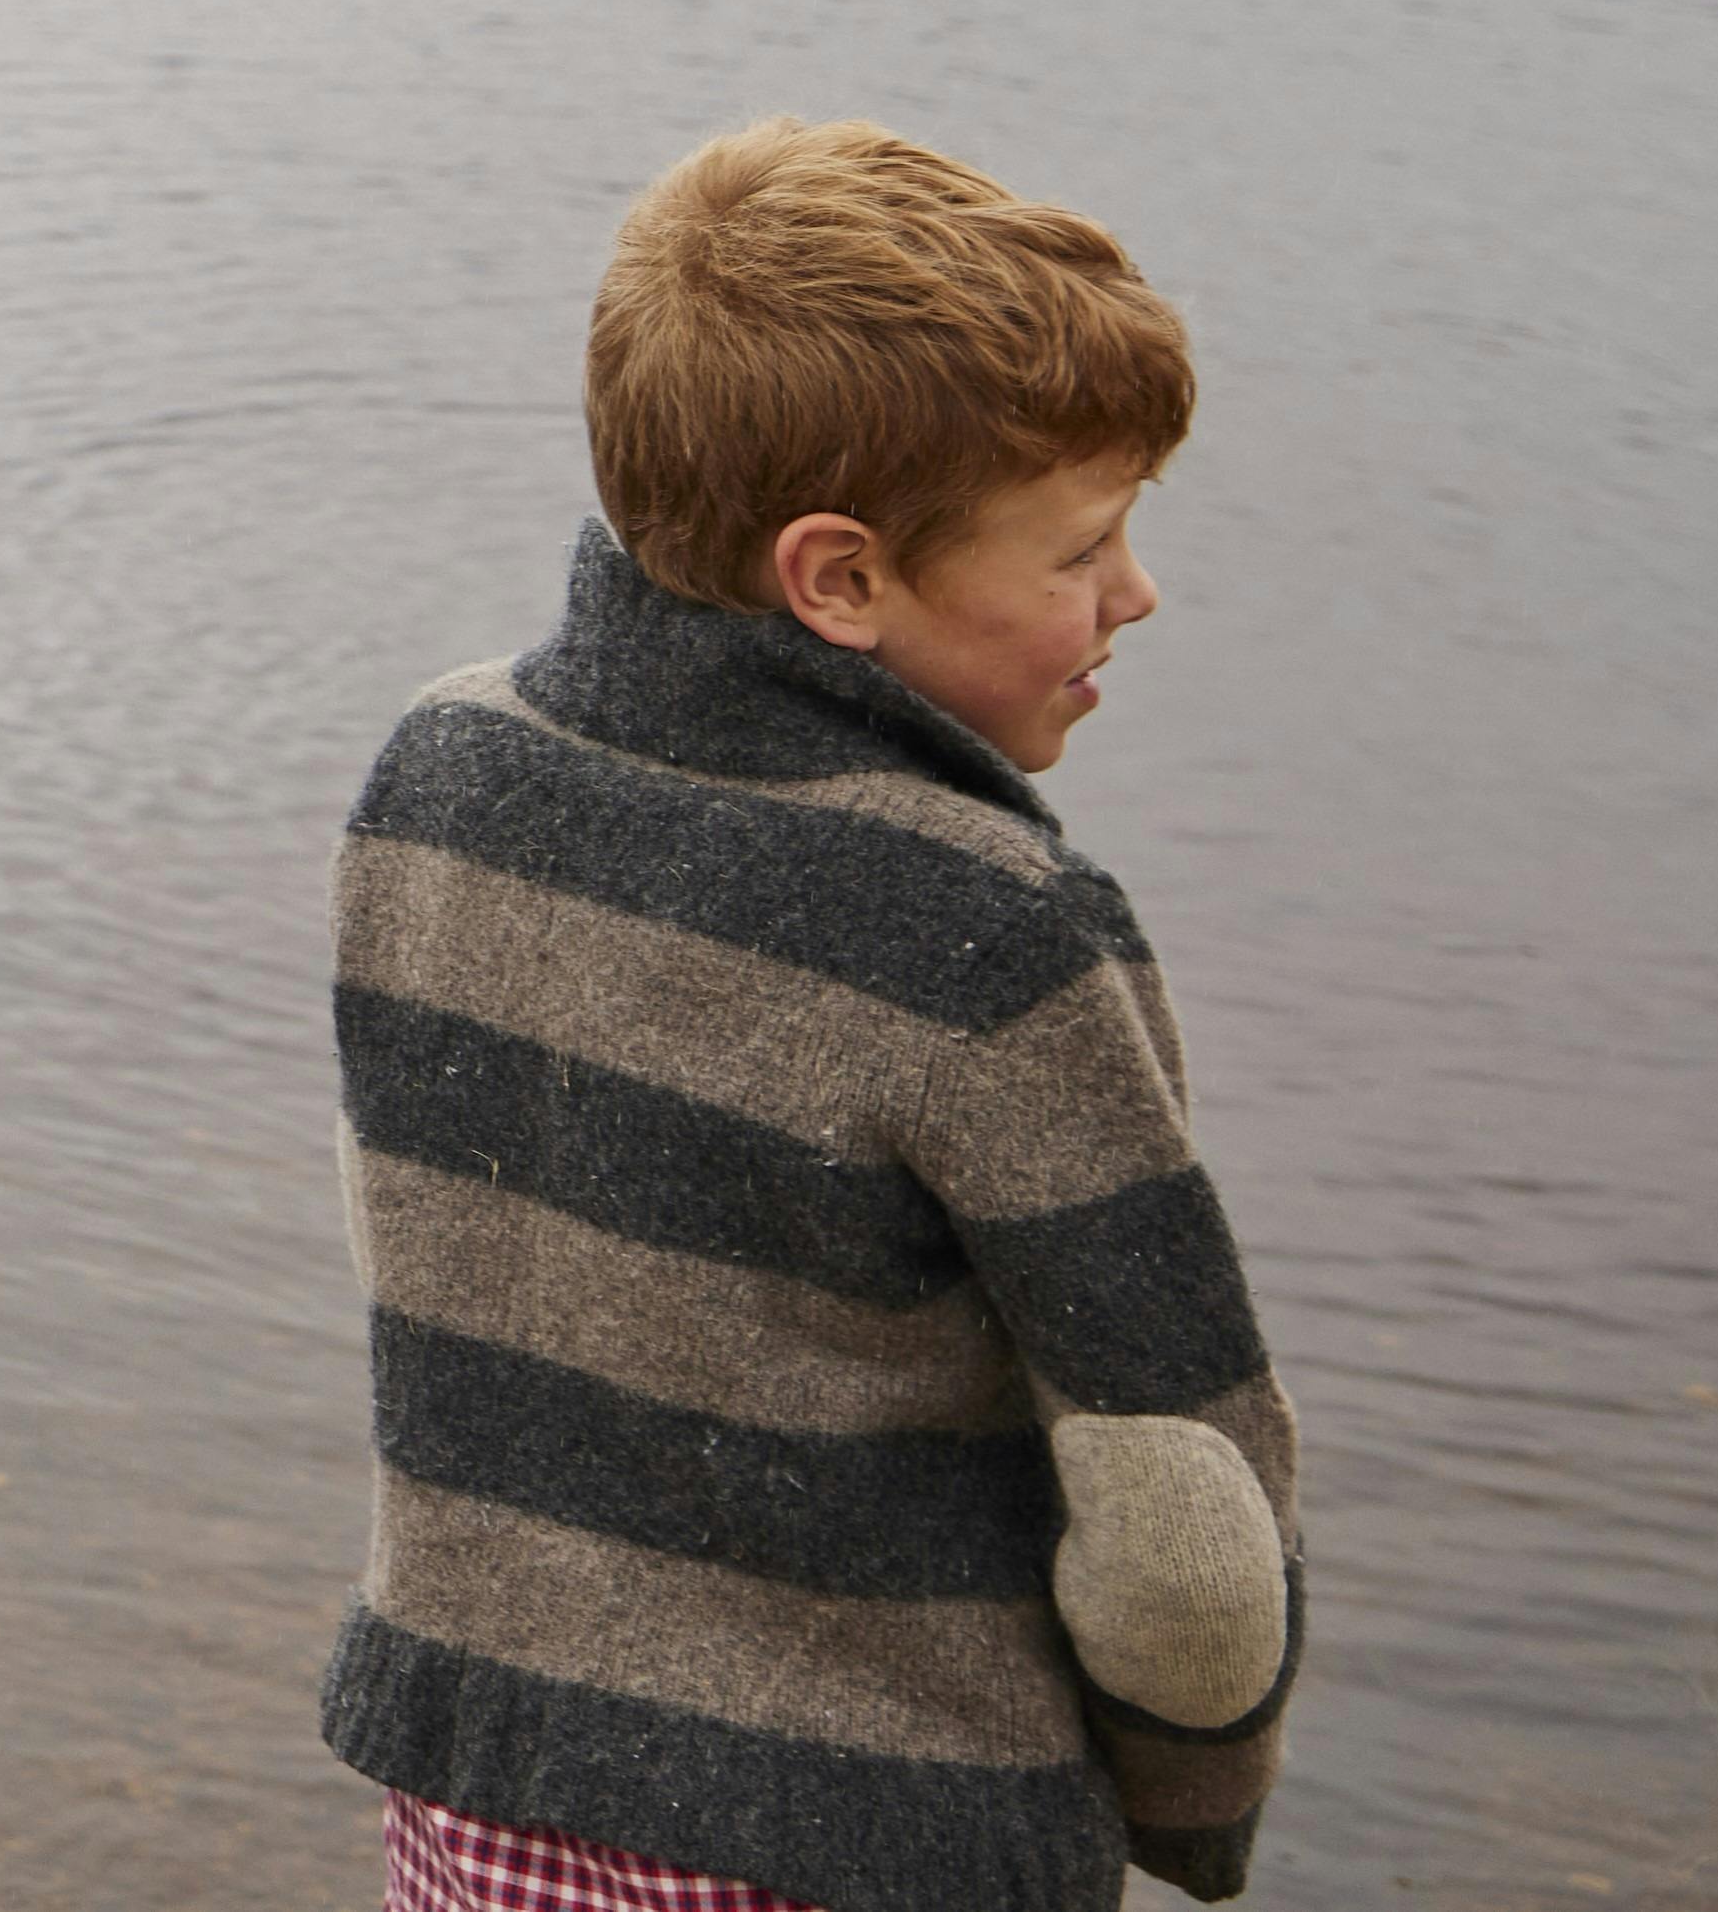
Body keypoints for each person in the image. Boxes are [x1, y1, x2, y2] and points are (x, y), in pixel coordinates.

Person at [319, 122, 1299, 1911]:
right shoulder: (989, 930)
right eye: (1080, 548)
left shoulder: (435, 770)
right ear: (836, 576)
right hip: (876, 1845)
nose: (1133, 593)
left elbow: (443, 1247)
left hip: (473, 1802)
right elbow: (1179, 1508)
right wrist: (1191, 1810)